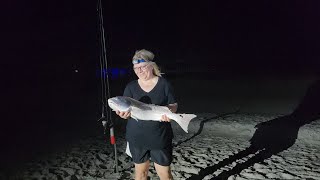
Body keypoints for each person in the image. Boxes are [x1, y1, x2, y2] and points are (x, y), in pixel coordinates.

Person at [116, 49, 178, 180]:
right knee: (140, 174)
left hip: (159, 137)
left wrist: (169, 111)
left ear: (152, 66)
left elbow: (173, 104)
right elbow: (126, 109)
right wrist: (123, 115)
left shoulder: (164, 84)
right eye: (135, 68)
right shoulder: (131, 86)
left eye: (142, 67)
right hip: (137, 138)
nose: (139, 71)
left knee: (164, 174)